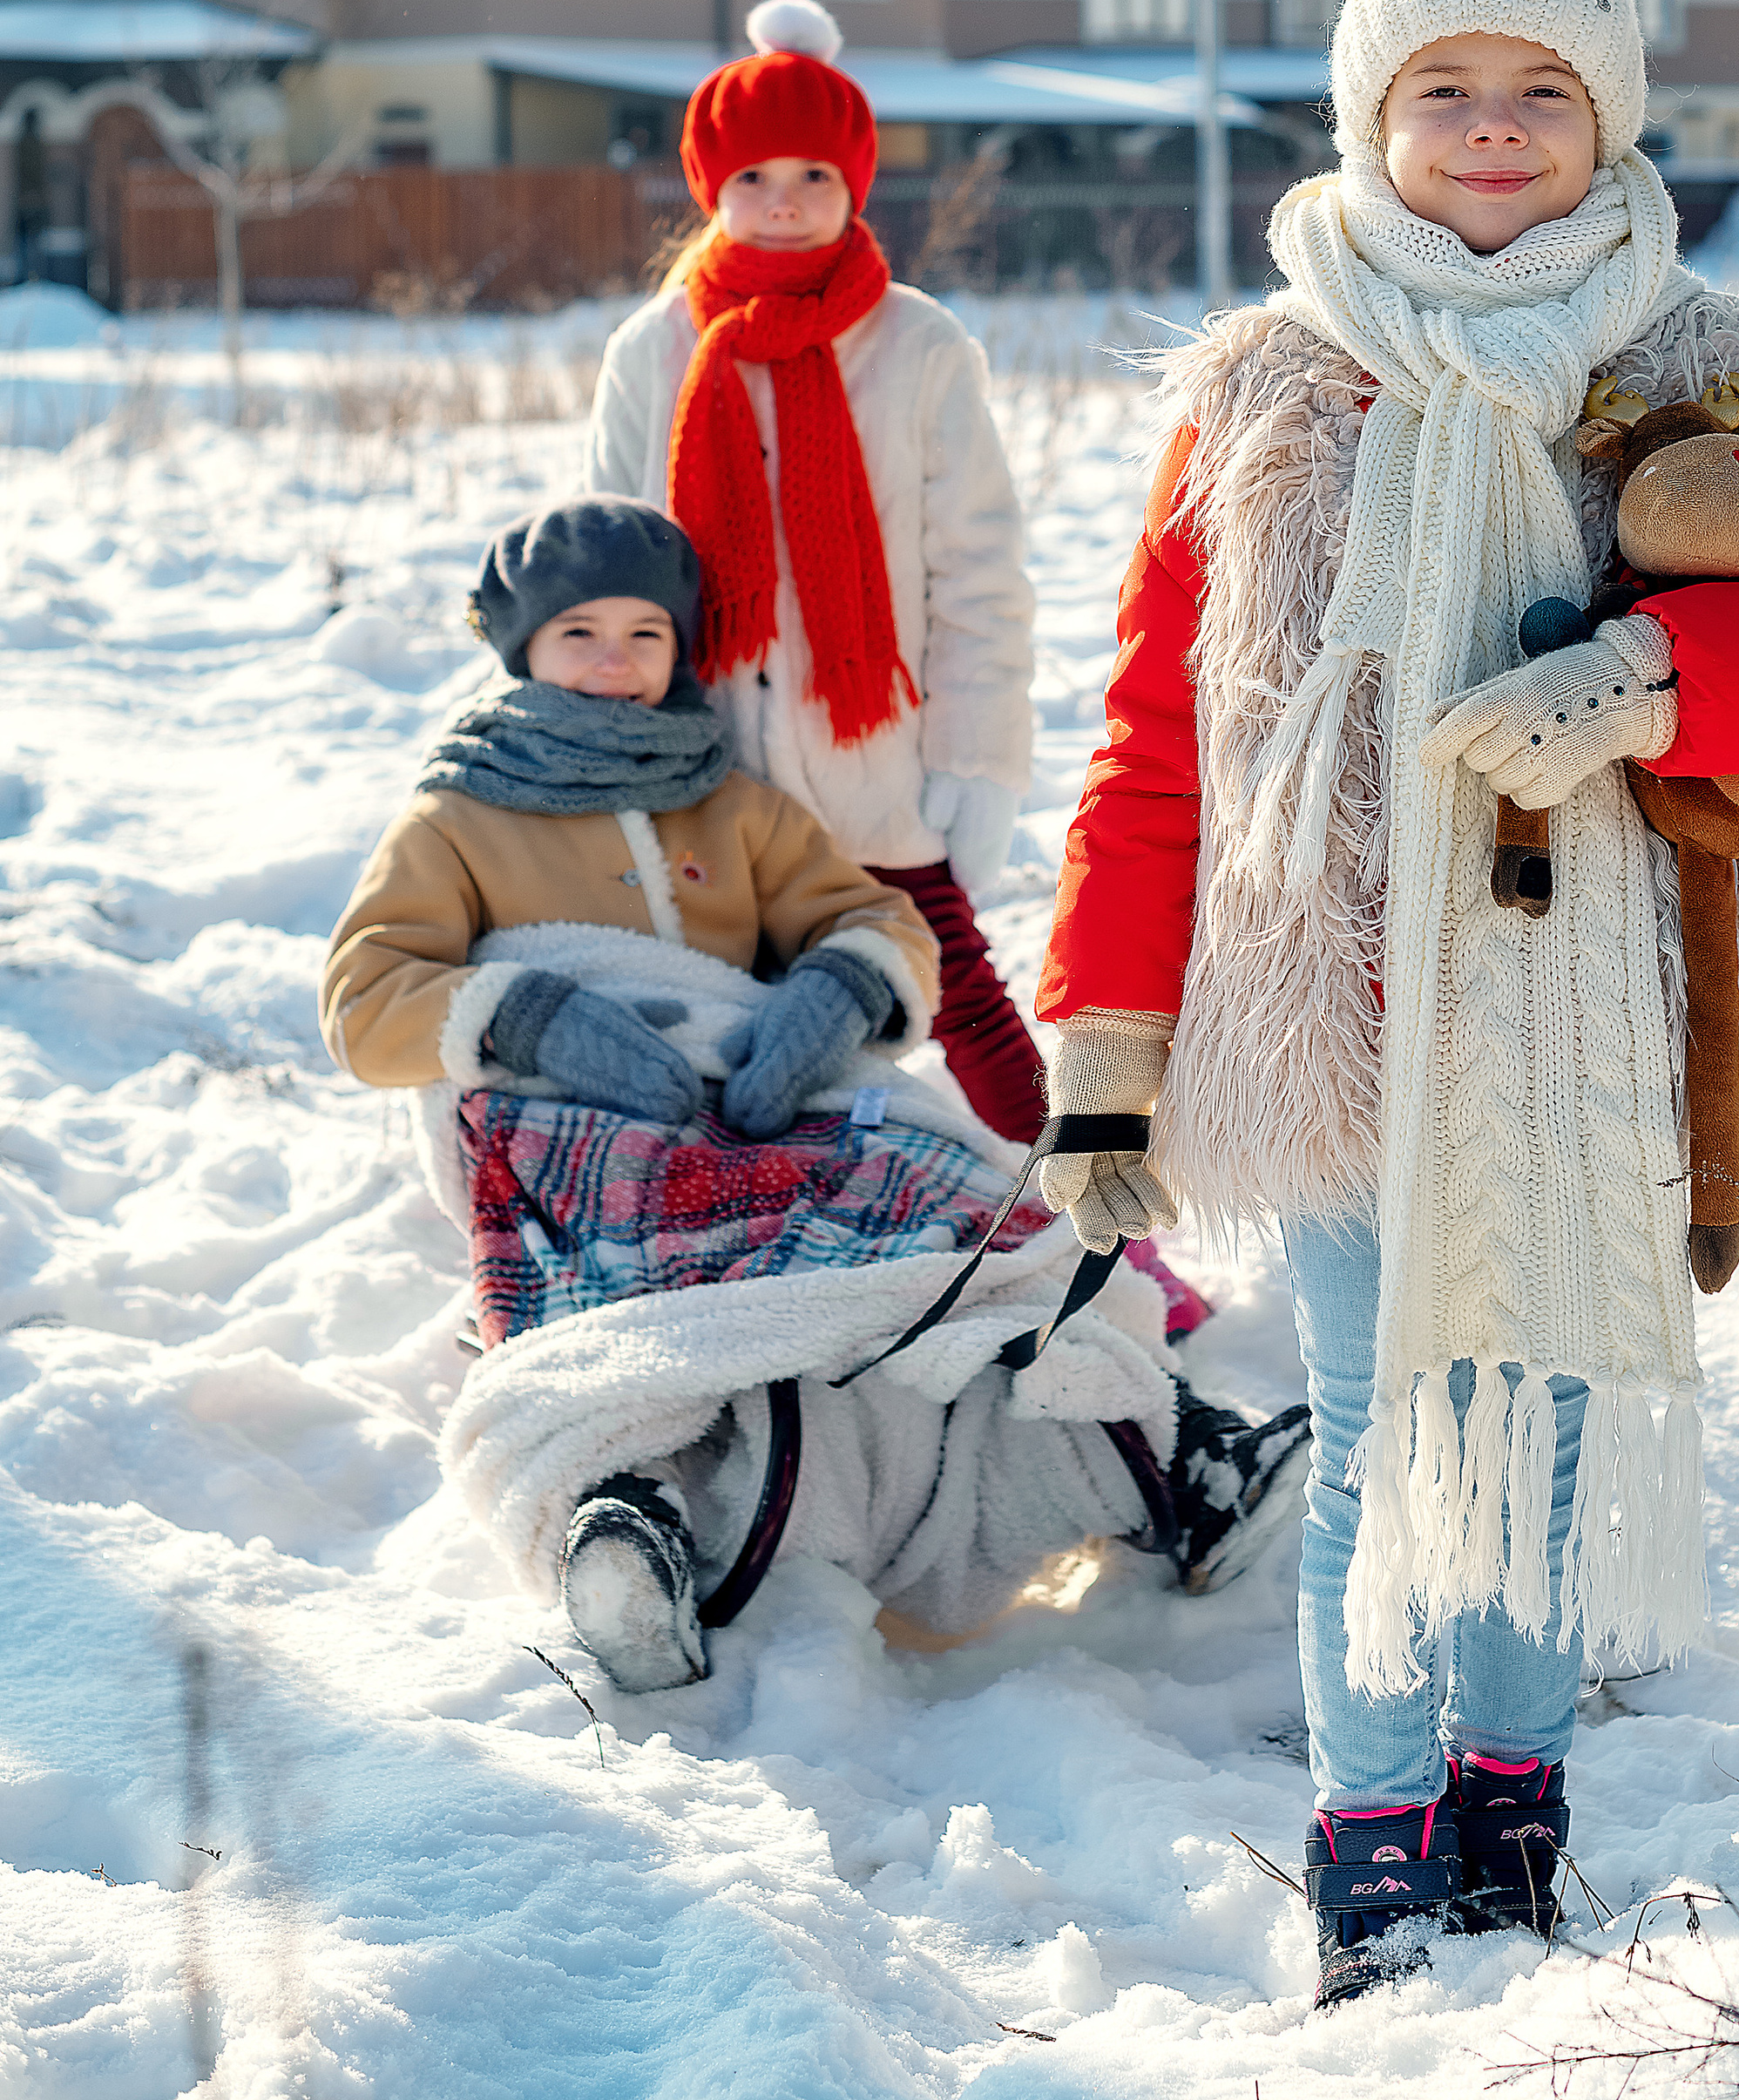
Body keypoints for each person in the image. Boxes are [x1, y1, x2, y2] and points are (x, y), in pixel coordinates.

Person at [1031, 0, 1739, 2009]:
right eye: (1443, 90)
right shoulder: (1264, 393)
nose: (1492, 132)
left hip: (1604, 999)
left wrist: (1647, 677)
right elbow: (1161, 744)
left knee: (1531, 1416)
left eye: (1540, 91)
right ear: (1369, 113)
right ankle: (1363, 1832)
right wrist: (1105, 1047)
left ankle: (1509, 1793)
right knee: (1369, 1422)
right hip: (1349, 1014)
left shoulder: (1695, 367)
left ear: (1605, 113)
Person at [322, 498, 1308, 1693]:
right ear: (521, 647)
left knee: (976, 1214)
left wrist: (835, 993)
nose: (616, 662)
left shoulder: (728, 800)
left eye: (645, 634)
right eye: (580, 632)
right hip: (561, 1110)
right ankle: (630, 1519)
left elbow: (871, 918)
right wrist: (533, 1016)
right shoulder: (460, 813)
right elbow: (369, 993)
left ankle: (1169, 1460)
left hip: (755, 1091)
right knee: (620, 1275)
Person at [583, 0, 1047, 1152]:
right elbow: (607, 566)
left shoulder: (918, 345)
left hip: (877, 772)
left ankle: (1097, 1240)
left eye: (814, 175)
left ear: (856, 186)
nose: (783, 200)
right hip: (708, 775)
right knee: (730, 1036)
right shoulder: (656, 349)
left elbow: (979, 575)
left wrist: (974, 764)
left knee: (967, 1010)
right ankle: (743, 1239)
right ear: (710, 188)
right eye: (753, 177)